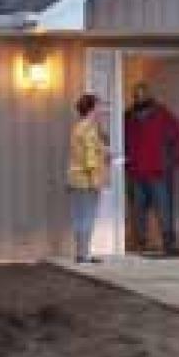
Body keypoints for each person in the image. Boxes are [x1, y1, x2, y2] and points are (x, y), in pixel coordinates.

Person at [123, 82, 179, 255]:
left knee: (164, 208)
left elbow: (177, 137)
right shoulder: (127, 117)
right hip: (135, 171)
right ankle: (139, 243)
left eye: (142, 93)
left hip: (158, 171)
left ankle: (169, 243)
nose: (139, 97)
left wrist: (176, 160)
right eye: (136, 94)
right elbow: (121, 140)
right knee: (138, 210)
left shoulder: (163, 115)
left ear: (149, 94)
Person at [67, 93, 109, 264]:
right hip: (87, 179)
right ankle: (84, 254)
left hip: (75, 179)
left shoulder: (78, 127)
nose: (102, 109)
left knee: (79, 217)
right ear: (92, 108)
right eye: (99, 106)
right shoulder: (89, 129)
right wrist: (95, 181)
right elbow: (90, 157)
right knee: (88, 217)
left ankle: (81, 253)